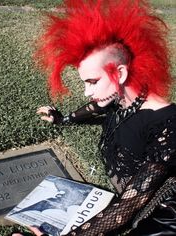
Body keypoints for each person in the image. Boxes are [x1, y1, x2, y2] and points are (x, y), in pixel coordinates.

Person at [13, 0, 176, 235]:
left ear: (119, 73)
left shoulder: (168, 123)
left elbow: (127, 205)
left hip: (162, 217)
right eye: (85, 82)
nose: (87, 92)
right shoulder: (120, 100)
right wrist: (62, 120)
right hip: (130, 206)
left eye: (93, 82)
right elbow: (93, 108)